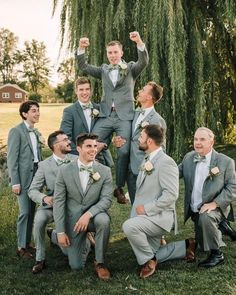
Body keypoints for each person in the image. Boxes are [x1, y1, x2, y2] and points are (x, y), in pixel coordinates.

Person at [77, 31, 149, 204]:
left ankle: (118, 186)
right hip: (105, 116)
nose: (113, 55)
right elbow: (84, 67)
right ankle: (95, 181)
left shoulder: (131, 68)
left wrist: (138, 41)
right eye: (110, 53)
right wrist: (81, 48)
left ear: (121, 53)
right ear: (107, 54)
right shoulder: (103, 70)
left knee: (124, 151)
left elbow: (144, 61)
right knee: (91, 144)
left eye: (115, 52)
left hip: (124, 117)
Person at [123, 125, 189, 279]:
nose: (138, 139)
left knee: (128, 227)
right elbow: (146, 187)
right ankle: (185, 246)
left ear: (150, 141)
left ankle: (149, 261)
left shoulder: (166, 162)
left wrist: (146, 209)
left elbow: (171, 195)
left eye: (141, 137)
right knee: (154, 251)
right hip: (146, 217)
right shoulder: (147, 158)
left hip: (159, 217)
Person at [53, 133, 113, 280]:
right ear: (78, 149)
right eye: (88, 146)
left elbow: (106, 200)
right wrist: (61, 232)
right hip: (73, 220)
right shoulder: (64, 171)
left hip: (94, 216)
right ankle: (54, 235)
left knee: (103, 220)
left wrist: (88, 214)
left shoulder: (104, 171)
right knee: (76, 266)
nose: (93, 150)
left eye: (95, 146)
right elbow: (59, 202)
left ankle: (100, 262)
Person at [179, 127, 236, 267]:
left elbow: (233, 187)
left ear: (212, 142)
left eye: (202, 139)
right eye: (195, 139)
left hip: (214, 206)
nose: (198, 143)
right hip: (195, 207)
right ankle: (223, 226)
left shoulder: (225, 162)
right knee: (201, 240)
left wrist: (214, 204)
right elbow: (174, 173)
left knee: (206, 218)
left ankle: (217, 254)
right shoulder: (189, 157)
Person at [28, 130, 78, 274]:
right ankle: (40, 259)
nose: (69, 142)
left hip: (72, 207)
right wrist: (45, 198)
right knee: (39, 220)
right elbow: (32, 190)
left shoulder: (76, 159)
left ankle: (55, 235)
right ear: (55, 145)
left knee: (68, 253)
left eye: (68, 139)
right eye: (65, 140)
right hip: (51, 206)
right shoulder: (44, 165)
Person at [113, 81, 166, 204]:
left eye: (143, 90)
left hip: (144, 169)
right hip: (129, 168)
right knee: (134, 204)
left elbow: (161, 148)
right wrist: (117, 140)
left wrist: (150, 168)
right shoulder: (134, 113)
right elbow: (127, 135)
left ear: (149, 97)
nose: (139, 91)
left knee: (145, 205)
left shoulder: (157, 120)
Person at [7, 100, 43, 258]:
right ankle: (21, 246)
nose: (37, 113)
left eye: (38, 110)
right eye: (34, 111)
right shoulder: (16, 131)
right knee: (24, 212)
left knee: (32, 210)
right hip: (22, 177)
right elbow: (12, 159)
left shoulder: (35, 132)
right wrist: (15, 182)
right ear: (25, 114)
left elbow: (37, 156)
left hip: (36, 174)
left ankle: (28, 243)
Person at [60, 76, 113, 167]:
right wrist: (83, 154)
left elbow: (108, 131)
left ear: (91, 90)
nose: (84, 92)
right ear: (76, 91)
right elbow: (66, 137)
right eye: (81, 90)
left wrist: (103, 145)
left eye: (87, 89)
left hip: (99, 158)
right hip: (78, 159)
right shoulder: (69, 111)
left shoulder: (99, 108)